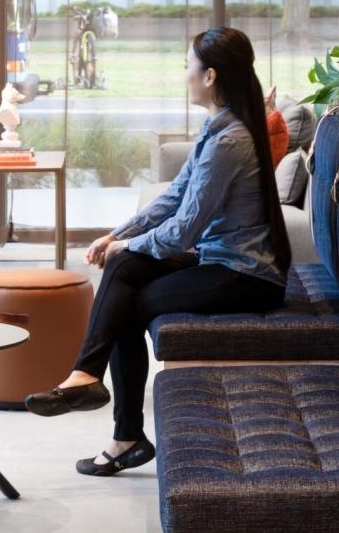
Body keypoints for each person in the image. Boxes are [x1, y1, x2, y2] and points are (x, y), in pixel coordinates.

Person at [24, 27, 292, 476]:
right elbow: (173, 199)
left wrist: (127, 243)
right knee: (124, 266)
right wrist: (117, 236)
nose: (183, 75)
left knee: (128, 302)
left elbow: (185, 229)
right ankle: (88, 380)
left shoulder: (230, 141)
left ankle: (120, 431)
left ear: (209, 76)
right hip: (218, 258)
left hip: (246, 276)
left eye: (188, 66)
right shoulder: (218, 126)